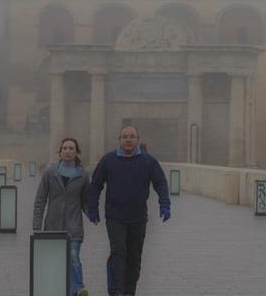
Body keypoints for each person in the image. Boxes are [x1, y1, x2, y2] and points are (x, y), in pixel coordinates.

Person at [88, 125, 171, 296]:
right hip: (115, 216)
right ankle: (116, 290)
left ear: (137, 140)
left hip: (138, 217)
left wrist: (165, 204)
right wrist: (92, 208)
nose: (128, 139)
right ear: (119, 140)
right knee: (118, 252)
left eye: (132, 136)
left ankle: (129, 291)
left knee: (134, 257)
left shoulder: (148, 161)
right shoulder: (108, 160)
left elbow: (160, 182)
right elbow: (96, 184)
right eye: (125, 136)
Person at [33, 137, 90, 296]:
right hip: (53, 226)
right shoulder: (50, 172)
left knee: (73, 258)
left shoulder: (83, 175)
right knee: (55, 263)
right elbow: (40, 200)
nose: (67, 151)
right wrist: (36, 225)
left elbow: (86, 201)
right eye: (65, 148)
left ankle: (79, 289)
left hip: (74, 226)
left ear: (76, 152)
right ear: (60, 151)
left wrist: (93, 214)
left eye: (71, 148)